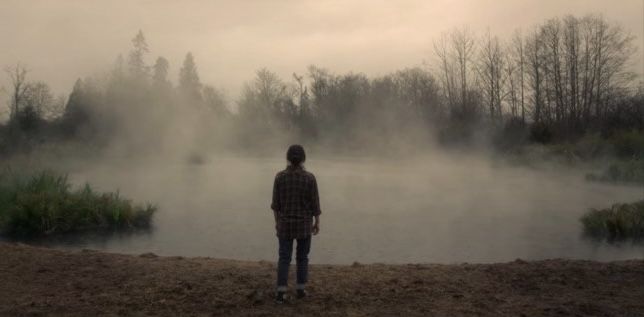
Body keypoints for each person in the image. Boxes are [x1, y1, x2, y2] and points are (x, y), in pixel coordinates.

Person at [271, 144, 321, 304]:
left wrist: (277, 222)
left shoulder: (279, 177)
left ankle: (281, 293)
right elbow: (315, 204)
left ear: (288, 158)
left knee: (284, 258)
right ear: (303, 159)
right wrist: (317, 222)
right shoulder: (310, 178)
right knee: (302, 257)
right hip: (304, 225)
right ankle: (300, 290)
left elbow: (276, 205)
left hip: (285, 225)